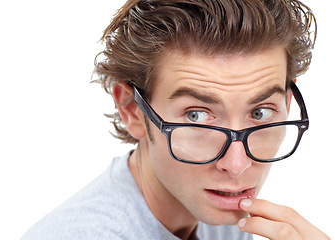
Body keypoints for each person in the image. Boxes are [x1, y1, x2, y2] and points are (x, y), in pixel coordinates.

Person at [21, 0, 330, 239]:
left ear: (287, 104)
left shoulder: (221, 215)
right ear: (133, 110)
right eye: (196, 117)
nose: (237, 165)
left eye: (259, 112)